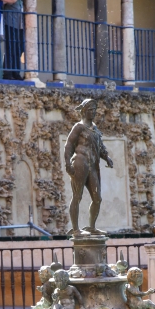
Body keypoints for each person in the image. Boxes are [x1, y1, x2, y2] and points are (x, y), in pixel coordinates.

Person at [63, 98, 113, 236]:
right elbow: (68, 145)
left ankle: (91, 227)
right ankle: (75, 229)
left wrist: (106, 157)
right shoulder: (79, 127)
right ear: (84, 111)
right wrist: (67, 163)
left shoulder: (95, 128)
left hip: (93, 165)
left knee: (97, 198)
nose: (93, 112)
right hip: (80, 162)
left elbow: (100, 146)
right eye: (90, 110)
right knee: (77, 196)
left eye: (94, 110)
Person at [3, 0, 24, 79]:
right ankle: (8, 72)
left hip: (19, 22)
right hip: (10, 21)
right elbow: (8, 1)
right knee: (11, 47)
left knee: (19, 47)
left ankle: (16, 72)